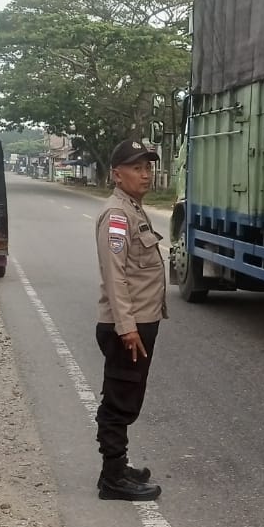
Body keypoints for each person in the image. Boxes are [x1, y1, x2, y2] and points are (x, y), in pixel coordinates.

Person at [93, 139, 168, 501]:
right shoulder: (118, 216)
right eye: (137, 167)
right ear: (116, 173)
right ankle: (112, 478)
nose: (145, 174)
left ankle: (118, 466)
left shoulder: (134, 208)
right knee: (120, 399)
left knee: (127, 394)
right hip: (129, 326)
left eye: (148, 167)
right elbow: (115, 274)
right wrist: (127, 328)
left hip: (139, 322)